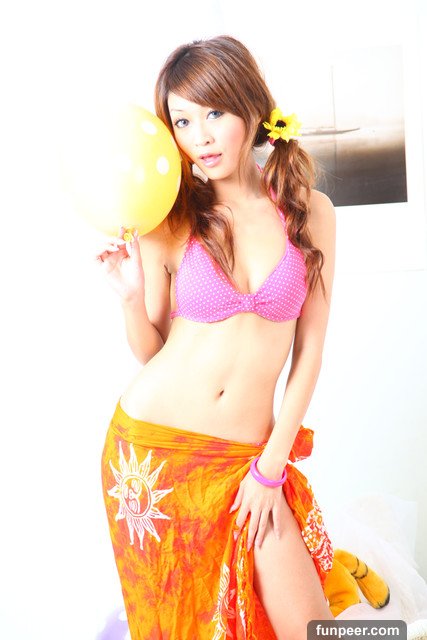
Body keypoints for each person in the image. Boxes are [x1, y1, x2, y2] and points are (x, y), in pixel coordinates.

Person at [98, 34, 336, 639]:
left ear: (251, 107)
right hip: (151, 456)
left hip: (248, 459)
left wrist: (271, 467)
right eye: (182, 121)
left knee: (315, 628)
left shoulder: (311, 211)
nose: (199, 137)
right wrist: (130, 299)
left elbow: (309, 352)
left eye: (213, 113)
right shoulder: (171, 218)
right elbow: (153, 351)